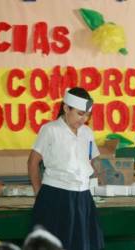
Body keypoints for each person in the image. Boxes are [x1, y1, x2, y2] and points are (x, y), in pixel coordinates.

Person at [27, 87, 104, 250]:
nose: (84, 119)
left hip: (83, 197)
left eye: (87, 115)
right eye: (80, 113)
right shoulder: (50, 130)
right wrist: (38, 193)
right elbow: (33, 162)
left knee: (82, 244)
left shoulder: (87, 132)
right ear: (66, 108)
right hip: (56, 195)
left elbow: (94, 159)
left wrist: (101, 171)